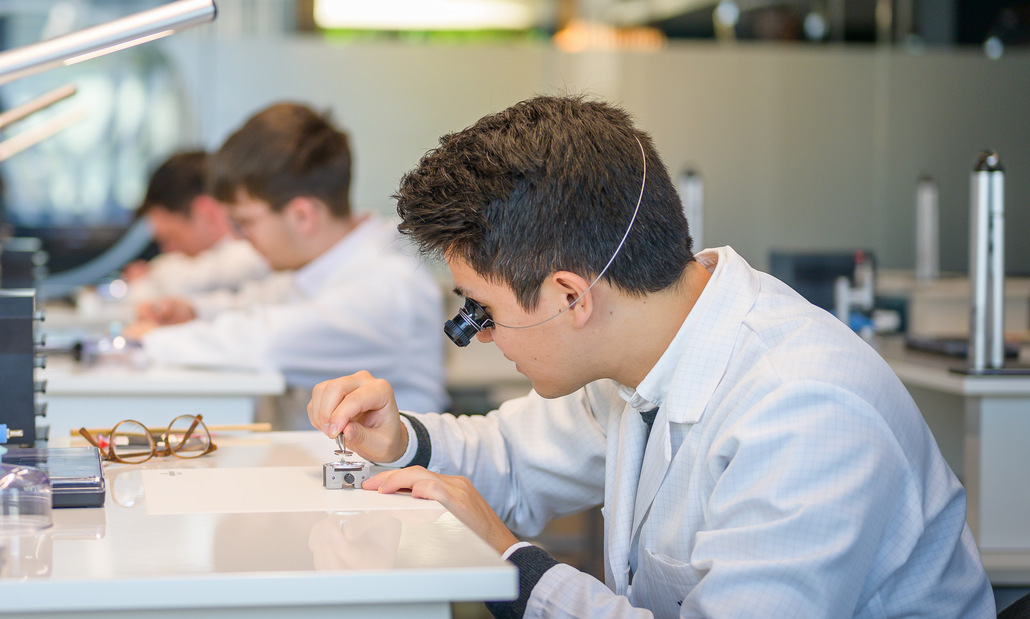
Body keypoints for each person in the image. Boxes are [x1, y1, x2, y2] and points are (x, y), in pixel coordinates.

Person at [307, 96, 994, 618]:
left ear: (571, 295)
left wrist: (512, 567)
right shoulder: (640, 352)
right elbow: (513, 461)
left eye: (482, 311)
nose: (480, 336)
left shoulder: (805, 411)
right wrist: (398, 441)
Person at [130, 103, 448, 429]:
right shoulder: (325, 266)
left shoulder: (385, 285)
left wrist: (144, 343)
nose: (239, 240)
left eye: (245, 223)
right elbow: (259, 304)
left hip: (385, 477)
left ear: (302, 215)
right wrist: (194, 312)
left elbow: (270, 342)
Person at [124, 151, 269, 318]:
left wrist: (146, 279)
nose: (169, 250)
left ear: (205, 211)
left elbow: (185, 283)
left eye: (171, 237)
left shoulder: (250, 254)